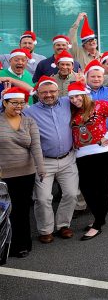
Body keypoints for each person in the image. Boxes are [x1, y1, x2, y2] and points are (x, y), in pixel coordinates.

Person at [24, 76, 79, 244]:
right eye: (44, 92)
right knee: (42, 198)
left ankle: (63, 224)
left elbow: (85, 98)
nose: (48, 95)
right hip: (43, 161)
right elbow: (5, 113)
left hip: (68, 158)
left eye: (52, 91)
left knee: (71, 194)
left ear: (58, 92)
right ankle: (45, 230)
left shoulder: (67, 102)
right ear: (37, 94)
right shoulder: (29, 111)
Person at [68, 82, 108, 240]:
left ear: (85, 95)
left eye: (78, 96)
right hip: (81, 155)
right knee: (86, 188)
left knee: (102, 187)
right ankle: (99, 218)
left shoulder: (99, 105)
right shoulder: (72, 111)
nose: (75, 100)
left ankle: (98, 224)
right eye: (71, 97)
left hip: (103, 152)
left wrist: (107, 136)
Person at [0, 87, 45, 258]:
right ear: (5, 103)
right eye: (14, 103)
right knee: (6, 211)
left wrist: (40, 167)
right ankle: (5, 244)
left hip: (26, 173)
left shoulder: (29, 121)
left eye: (22, 103)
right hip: (4, 174)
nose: (19, 106)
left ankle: (22, 245)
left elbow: (36, 146)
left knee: (22, 210)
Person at [85, 60, 108, 213]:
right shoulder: (82, 92)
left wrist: (93, 104)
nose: (96, 79)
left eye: (99, 77)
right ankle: (84, 203)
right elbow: (81, 106)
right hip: (87, 137)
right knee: (88, 170)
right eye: (93, 76)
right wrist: (104, 104)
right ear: (87, 77)